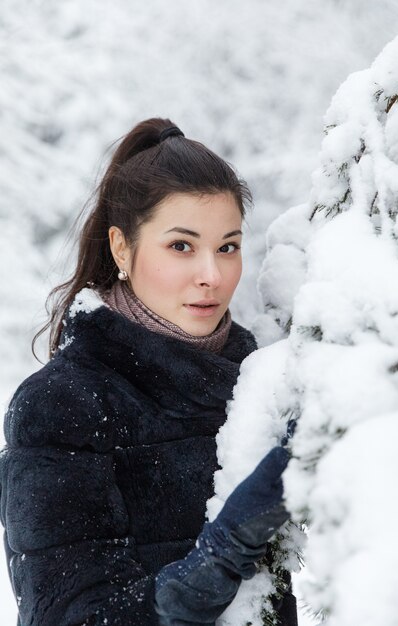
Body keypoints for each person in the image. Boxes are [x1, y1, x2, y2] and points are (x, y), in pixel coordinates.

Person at [0, 118, 298, 626]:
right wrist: (223, 553)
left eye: (228, 246)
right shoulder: (61, 405)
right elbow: (69, 615)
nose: (213, 274)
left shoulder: (262, 380)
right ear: (122, 248)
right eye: (181, 246)